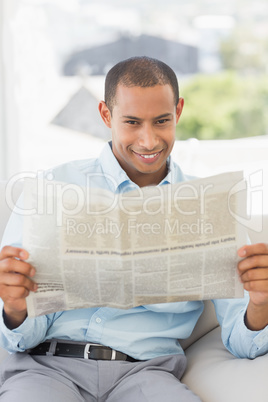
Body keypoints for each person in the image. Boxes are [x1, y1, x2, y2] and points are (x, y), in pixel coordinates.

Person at [0, 56, 268, 402]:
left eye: (161, 121)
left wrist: (260, 303)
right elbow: (17, 338)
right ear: (106, 115)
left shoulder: (211, 203)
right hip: (48, 369)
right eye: (132, 122)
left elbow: (244, 343)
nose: (148, 140)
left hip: (146, 375)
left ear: (179, 111)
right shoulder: (50, 189)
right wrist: (14, 306)